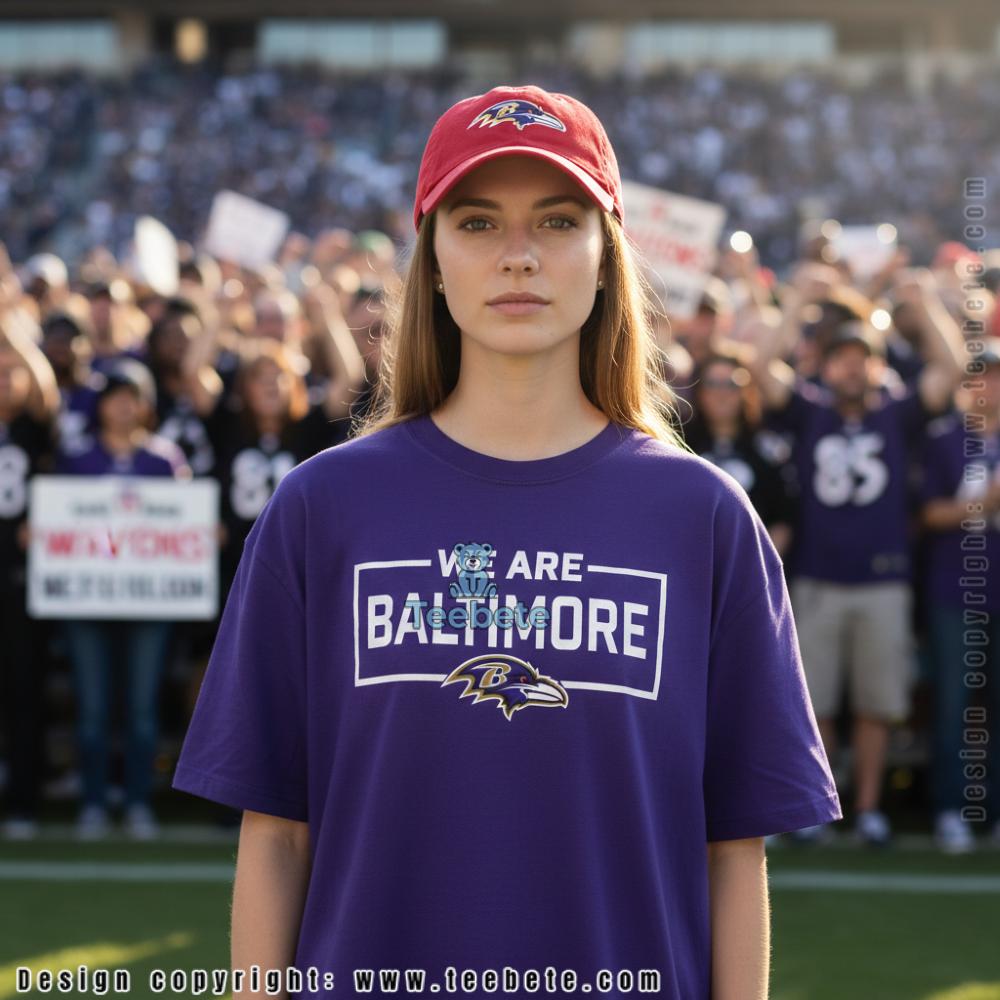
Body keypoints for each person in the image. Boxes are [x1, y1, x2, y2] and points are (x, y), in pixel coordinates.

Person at [172, 85, 841, 999]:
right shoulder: (320, 506)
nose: (519, 256)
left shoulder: (704, 515)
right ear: (433, 261)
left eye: (558, 220)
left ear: (607, 256)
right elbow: (277, 833)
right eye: (478, 222)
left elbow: (734, 849)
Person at [744, 276, 965, 847]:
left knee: (875, 705)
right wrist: (794, 304)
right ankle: (817, 808)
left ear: (875, 365)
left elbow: (952, 369)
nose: (849, 368)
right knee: (816, 703)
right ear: (827, 365)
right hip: (818, 578)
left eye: (859, 359)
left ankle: (867, 809)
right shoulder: (810, 411)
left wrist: (923, 305)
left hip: (883, 580)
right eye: (840, 358)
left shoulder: (898, 415)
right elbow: (761, 371)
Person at [57, 359, 191, 840]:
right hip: (86, 602)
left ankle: (137, 802)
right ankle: (94, 801)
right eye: (114, 396)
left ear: (146, 404)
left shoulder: (165, 459)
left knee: (140, 709)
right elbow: (59, 520)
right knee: (92, 708)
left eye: (132, 395)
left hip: (148, 603)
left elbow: (183, 521)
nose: (123, 406)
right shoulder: (76, 458)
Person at [920, 339, 1000, 852]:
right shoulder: (944, 439)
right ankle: (951, 807)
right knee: (953, 703)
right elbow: (929, 513)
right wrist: (985, 503)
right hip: (955, 589)